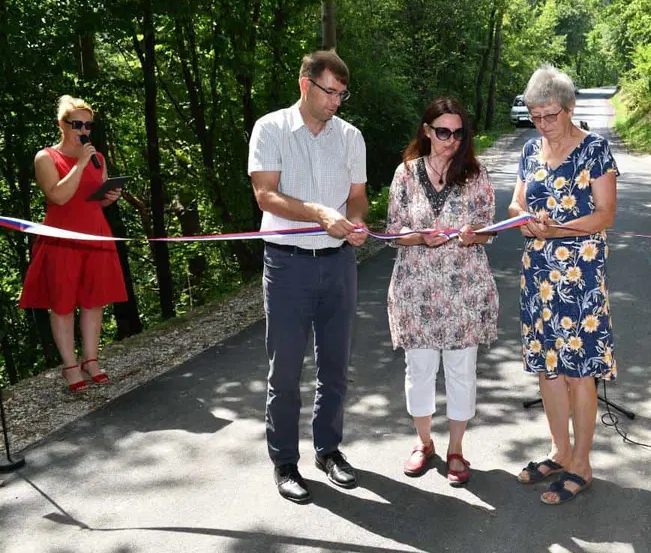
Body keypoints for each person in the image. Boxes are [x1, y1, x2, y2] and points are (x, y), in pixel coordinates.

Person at [248, 50, 368, 504]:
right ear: (305, 84)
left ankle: (328, 450)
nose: (337, 101)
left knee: (335, 365)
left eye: (342, 93)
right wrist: (317, 213)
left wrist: (355, 222)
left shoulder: (350, 137)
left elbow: (358, 197)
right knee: (285, 370)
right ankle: (284, 462)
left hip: (338, 262)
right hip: (287, 263)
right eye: (330, 92)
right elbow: (265, 194)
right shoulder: (271, 128)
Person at [508, 65, 619, 504]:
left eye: (549, 115)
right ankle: (559, 450)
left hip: (580, 276)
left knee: (577, 372)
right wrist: (527, 219)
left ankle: (581, 464)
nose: (541, 124)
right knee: (547, 367)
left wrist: (558, 229)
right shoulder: (531, 151)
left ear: (570, 109)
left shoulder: (594, 149)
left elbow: (605, 214)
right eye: (535, 116)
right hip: (537, 275)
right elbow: (518, 200)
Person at [386, 97, 499, 487]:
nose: (451, 140)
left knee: (461, 373)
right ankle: (423, 442)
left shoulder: (476, 174)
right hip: (415, 292)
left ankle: (456, 450)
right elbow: (392, 231)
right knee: (418, 372)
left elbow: (490, 228)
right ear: (427, 130)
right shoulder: (405, 174)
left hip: (464, 291)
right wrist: (418, 236)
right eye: (443, 131)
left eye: (458, 132)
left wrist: (474, 235)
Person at [19, 95, 127, 392]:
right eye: (77, 124)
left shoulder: (99, 159)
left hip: (95, 234)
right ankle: (69, 366)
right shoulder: (45, 157)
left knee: (95, 300)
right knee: (62, 302)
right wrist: (79, 164)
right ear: (61, 124)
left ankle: (91, 360)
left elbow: (91, 202)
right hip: (62, 238)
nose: (83, 130)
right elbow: (58, 197)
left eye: (88, 125)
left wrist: (109, 198)